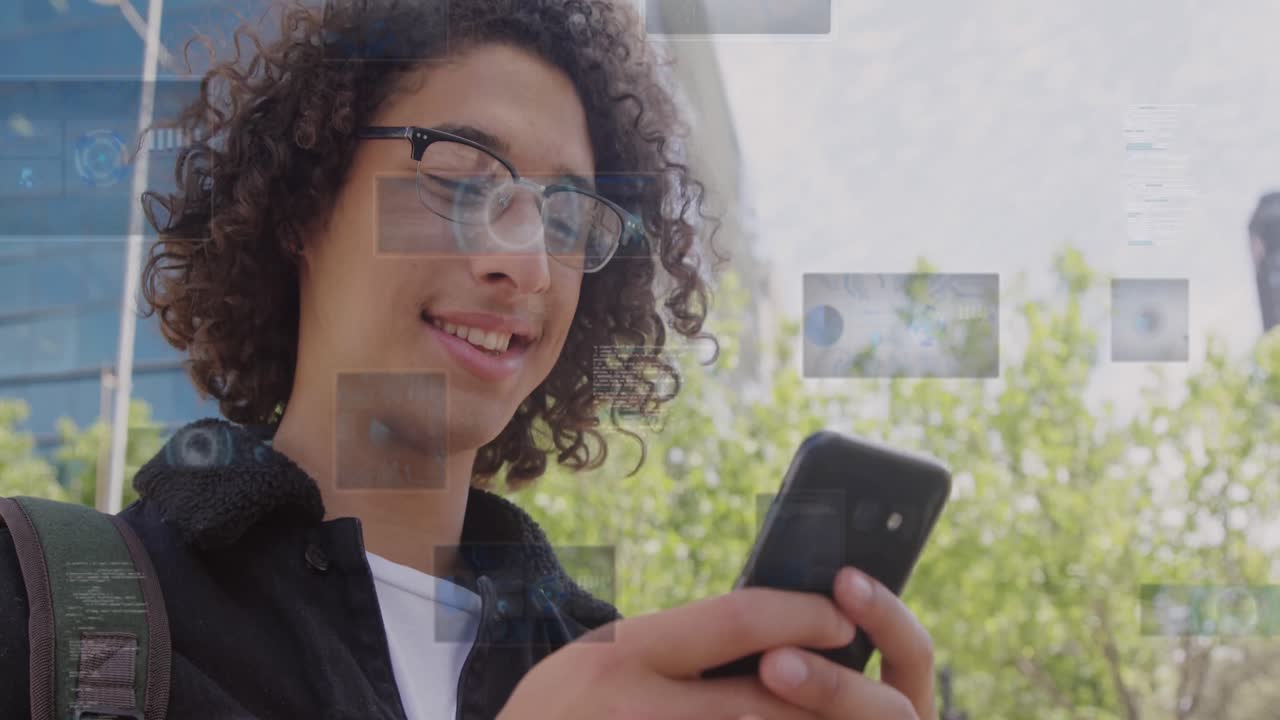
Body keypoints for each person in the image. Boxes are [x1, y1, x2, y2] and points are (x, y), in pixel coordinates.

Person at [0, 0, 939, 717]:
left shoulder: (632, 680)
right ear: (304, 201)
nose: (524, 260)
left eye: (567, 213)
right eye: (459, 176)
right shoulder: (40, 607)